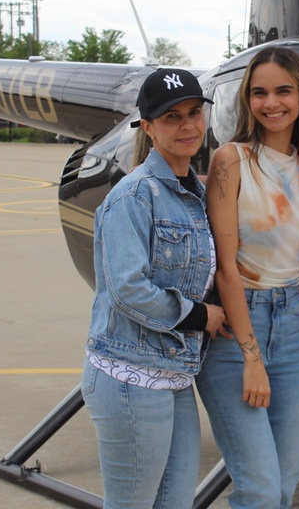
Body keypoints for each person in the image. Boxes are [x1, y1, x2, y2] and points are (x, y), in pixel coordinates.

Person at [81, 68, 229, 509]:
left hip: (174, 373)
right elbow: (127, 289)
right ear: (147, 127)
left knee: (175, 501)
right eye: (171, 117)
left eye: (194, 113)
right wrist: (201, 315)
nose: (187, 126)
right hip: (130, 373)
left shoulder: (194, 193)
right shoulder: (133, 196)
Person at [196, 47, 299, 508]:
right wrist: (251, 357)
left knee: (284, 484)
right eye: (259, 92)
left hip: (292, 323)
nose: (271, 103)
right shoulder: (231, 160)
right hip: (236, 327)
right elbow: (225, 267)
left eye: (283, 91)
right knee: (260, 490)